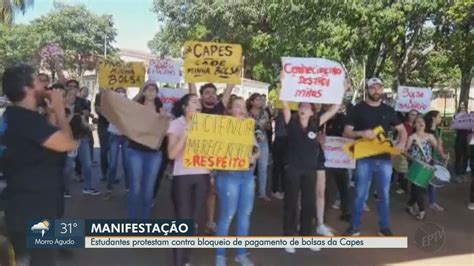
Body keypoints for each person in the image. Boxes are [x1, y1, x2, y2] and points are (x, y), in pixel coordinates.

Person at [2, 65, 77, 266]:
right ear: (28, 88)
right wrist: (61, 112)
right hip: (34, 210)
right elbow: (66, 144)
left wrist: (51, 114)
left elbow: (45, 142)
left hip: (23, 204)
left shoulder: (15, 117)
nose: (45, 84)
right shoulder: (26, 120)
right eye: (39, 80)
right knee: (40, 260)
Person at [343, 77, 407, 236]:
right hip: (364, 157)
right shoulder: (357, 109)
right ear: (367, 90)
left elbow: (402, 130)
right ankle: (354, 227)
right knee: (360, 194)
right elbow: (347, 132)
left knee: (384, 195)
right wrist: (361, 133)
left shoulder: (388, 110)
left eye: (379, 87)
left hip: (385, 159)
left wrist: (400, 144)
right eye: (373, 88)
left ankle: (384, 227)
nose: (376, 90)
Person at [281, 99, 339, 253]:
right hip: (293, 169)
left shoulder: (316, 123)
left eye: (307, 107)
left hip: (309, 170)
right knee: (291, 203)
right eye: (301, 106)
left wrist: (341, 91)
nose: (303, 108)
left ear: (312, 112)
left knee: (309, 204)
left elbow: (333, 109)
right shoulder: (291, 123)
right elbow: (285, 104)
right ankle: (289, 238)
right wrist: (283, 82)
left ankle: (307, 236)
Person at [215, 97, 260, 266]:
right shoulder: (222, 128)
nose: (242, 109)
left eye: (243, 106)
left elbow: (257, 149)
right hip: (229, 176)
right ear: (230, 110)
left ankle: (241, 254)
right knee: (227, 215)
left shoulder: (249, 127)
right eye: (238, 106)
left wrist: (254, 155)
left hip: (247, 177)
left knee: (244, 216)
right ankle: (220, 256)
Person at [167, 94, 210, 266]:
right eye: (194, 101)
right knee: (183, 221)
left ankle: (186, 259)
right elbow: (171, 154)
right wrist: (185, 135)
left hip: (203, 176)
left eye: (199, 102)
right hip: (182, 177)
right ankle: (178, 262)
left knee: (193, 221)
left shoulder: (208, 124)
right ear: (185, 107)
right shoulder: (176, 124)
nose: (198, 103)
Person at [189, 82, 234, 234]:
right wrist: (190, 77)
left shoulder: (219, 109)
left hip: (213, 158)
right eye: (207, 92)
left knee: (211, 191)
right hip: (195, 156)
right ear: (201, 96)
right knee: (195, 190)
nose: (211, 95)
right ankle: (193, 222)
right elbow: (192, 89)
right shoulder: (197, 109)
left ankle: (210, 222)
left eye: (213, 93)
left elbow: (228, 90)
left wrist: (234, 73)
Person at [126, 83, 165, 219]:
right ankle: (132, 221)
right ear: (143, 92)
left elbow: (164, 131)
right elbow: (125, 109)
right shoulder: (136, 106)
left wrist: (164, 119)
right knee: (135, 188)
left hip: (154, 153)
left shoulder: (161, 110)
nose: (150, 92)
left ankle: (144, 220)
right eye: (147, 89)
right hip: (135, 150)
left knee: (148, 189)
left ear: (157, 92)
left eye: (153, 89)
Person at [406, 117, 448, 220]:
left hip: (428, 165)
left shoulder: (430, 136)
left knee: (419, 189)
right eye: (418, 122)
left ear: (425, 124)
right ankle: (422, 211)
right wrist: (413, 159)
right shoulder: (412, 137)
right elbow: (404, 151)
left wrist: (442, 153)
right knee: (418, 189)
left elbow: (437, 148)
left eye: (422, 121)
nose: (420, 123)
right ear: (414, 125)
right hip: (416, 166)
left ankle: (410, 204)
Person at [65, 82, 99, 195]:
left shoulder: (81, 104)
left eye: (74, 90)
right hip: (67, 140)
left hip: (82, 137)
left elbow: (83, 120)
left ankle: (88, 187)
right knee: (68, 167)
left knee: (87, 164)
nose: (71, 96)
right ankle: (65, 189)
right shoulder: (58, 106)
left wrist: (88, 126)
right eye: (69, 91)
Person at [325, 105, 351, 222]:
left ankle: (346, 211)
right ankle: (322, 212)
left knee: (343, 186)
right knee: (325, 186)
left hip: (341, 159)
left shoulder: (344, 119)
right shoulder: (322, 118)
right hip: (326, 158)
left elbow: (349, 134)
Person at [103, 87, 130, 200]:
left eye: (122, 93)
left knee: (126, 163)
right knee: (113, 164)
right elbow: (105, 111)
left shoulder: (130, 105)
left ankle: (128, 188)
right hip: (114, 135)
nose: (120, 94)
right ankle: (109, 189)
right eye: (118, 93)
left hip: (125, 136)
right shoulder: (111, 105)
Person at [247, 93, 271, 201]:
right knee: (250, 167)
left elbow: (268, 126)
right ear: (251, 102)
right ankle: (248, 191)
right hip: (250, 142)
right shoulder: (247, 114)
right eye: (257, 100)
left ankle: (262, 192)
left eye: (261, 100)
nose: (260, 102)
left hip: (263, 141)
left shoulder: (265, 113)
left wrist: (268, 126)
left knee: (263, 167)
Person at [424, 110, 449, 211]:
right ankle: (416, 202)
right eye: (439, 116)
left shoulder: (438, 130)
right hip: (424, 159)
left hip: (433, 159)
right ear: (433, 118)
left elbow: (439, 146)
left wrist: (443, 155)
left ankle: (432, 202)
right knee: (422, 182)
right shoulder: (425, 129)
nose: (440, 118)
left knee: (432, 182)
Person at [393, 109, 419, 194]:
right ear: (408, 115)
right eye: (412, 114)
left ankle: (408, 186)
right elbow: (398, 136)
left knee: (410, 168)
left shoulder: (419, 125)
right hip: (404, 148)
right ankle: (403, 186)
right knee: (402, 168)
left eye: (415, 115)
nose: (413, 117)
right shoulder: (404, 125)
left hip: (415, 149)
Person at [271, 110, 287, 200]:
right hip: (280, 139)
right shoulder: (280, 112)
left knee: (285, 167)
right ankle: (275, 189)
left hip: (287, 140)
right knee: (278, 166)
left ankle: (283, 189)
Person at [95, 89, 110, 181]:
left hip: (116, 126)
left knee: (114, 152)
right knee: (104, 150)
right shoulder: (99, 95)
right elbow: (97, 109)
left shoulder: (118, 94)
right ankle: (104, 173)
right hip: (103, 125)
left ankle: (112, 174)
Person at [453, 104, 470, 183]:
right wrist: (459, 115)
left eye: (464, 108)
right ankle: (457, 174)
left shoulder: (469, 117)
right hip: (459, 139)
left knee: (466, 156)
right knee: (458, 156)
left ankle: (463, 174)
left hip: (467, 139)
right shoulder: (456, 116)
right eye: (461, 108)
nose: (463, 110)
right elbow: (453, 125)